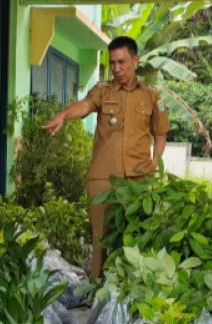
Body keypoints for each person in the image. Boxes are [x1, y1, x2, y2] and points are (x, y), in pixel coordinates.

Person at [42, 35, 171, 280]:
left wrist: (155, 164)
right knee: (100, 236)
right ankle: (96, 288)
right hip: (103, 176)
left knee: (137, 233)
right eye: (112, 63)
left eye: (122, 62)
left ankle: (132, 285)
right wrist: (62, 115)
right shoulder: (103, 90)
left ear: (135, 60)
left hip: (138, 177)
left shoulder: (152, 96)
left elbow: (161, 134)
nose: (116, 68)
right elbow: (84, 106)